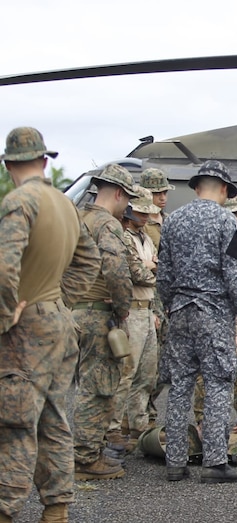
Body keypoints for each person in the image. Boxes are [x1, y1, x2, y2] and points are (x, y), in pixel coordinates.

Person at [0, 127, 100, 523]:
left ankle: (5, 509)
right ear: (44, 161)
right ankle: (56, 509)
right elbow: (89, 261)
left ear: (9, 165)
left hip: (26, 328)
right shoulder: (62, 203)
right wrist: (60, 298)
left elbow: (5, 264)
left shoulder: (19, 202)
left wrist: (8, 312)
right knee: (55, 419)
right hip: (59, 321)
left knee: (14, 422)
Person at [157, 160, 237, 483]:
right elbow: (234, 273)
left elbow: (163, 275)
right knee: (218, 383)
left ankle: (175, 462)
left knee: (180, 386)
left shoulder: (172, 221)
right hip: (213, 314)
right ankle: (214, 462)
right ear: (224, 190)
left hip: (180, 312)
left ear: (197, 187)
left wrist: (173, 306)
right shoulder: (226, 221)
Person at [71, 163, 138, 481]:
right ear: (120, 193)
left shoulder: (77, 218)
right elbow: (115, 269)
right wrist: (123, 310)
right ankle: (85, 457)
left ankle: (84, 451)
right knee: (98, 388)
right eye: (128, 200)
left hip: (76, 310)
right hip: (99, 313)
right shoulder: (107, 225)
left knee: (85, 384)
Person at [106, 186, 161, 454]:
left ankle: (137, 425)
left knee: (147, 374)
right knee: (126, 373)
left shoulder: (145, 238)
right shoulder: (125, 237)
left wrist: (152, 267)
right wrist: (154, 268)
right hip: (132, 311)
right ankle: (113, 429)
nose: (146, 217)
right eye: (141, 212)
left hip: (148, 309)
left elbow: (149, 269)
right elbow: (136, 273)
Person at [193, 193, 237, 424]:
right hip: (218, 314)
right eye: (235, 213)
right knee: (208, 369)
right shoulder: (213, 240)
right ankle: (203, 421)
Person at [140, 167, 174, 430]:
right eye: (156, 192)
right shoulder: (140, 224)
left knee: (166, 365)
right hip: (149, 299)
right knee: (146, 365)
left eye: (163, 192)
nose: (162, 197)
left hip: (169, 299)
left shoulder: (169, 220)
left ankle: (146, 412)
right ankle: (143, 417)